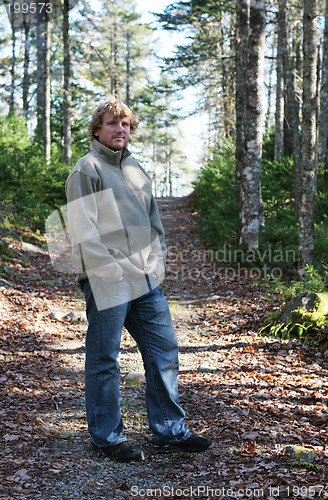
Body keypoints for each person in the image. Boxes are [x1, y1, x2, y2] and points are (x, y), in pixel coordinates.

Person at [65, 96, 212, 462]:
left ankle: (169, 431)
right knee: (105, 359)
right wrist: (110, 271)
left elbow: (154, 225)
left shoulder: (137, 170)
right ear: (97, 129)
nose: (120, 130)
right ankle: (106, 437)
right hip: (107, 280)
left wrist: (155, 265)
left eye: (126, 125)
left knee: (164, 352)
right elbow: (82, 231)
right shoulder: (86, 170)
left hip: (144, 281)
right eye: (113, 124)